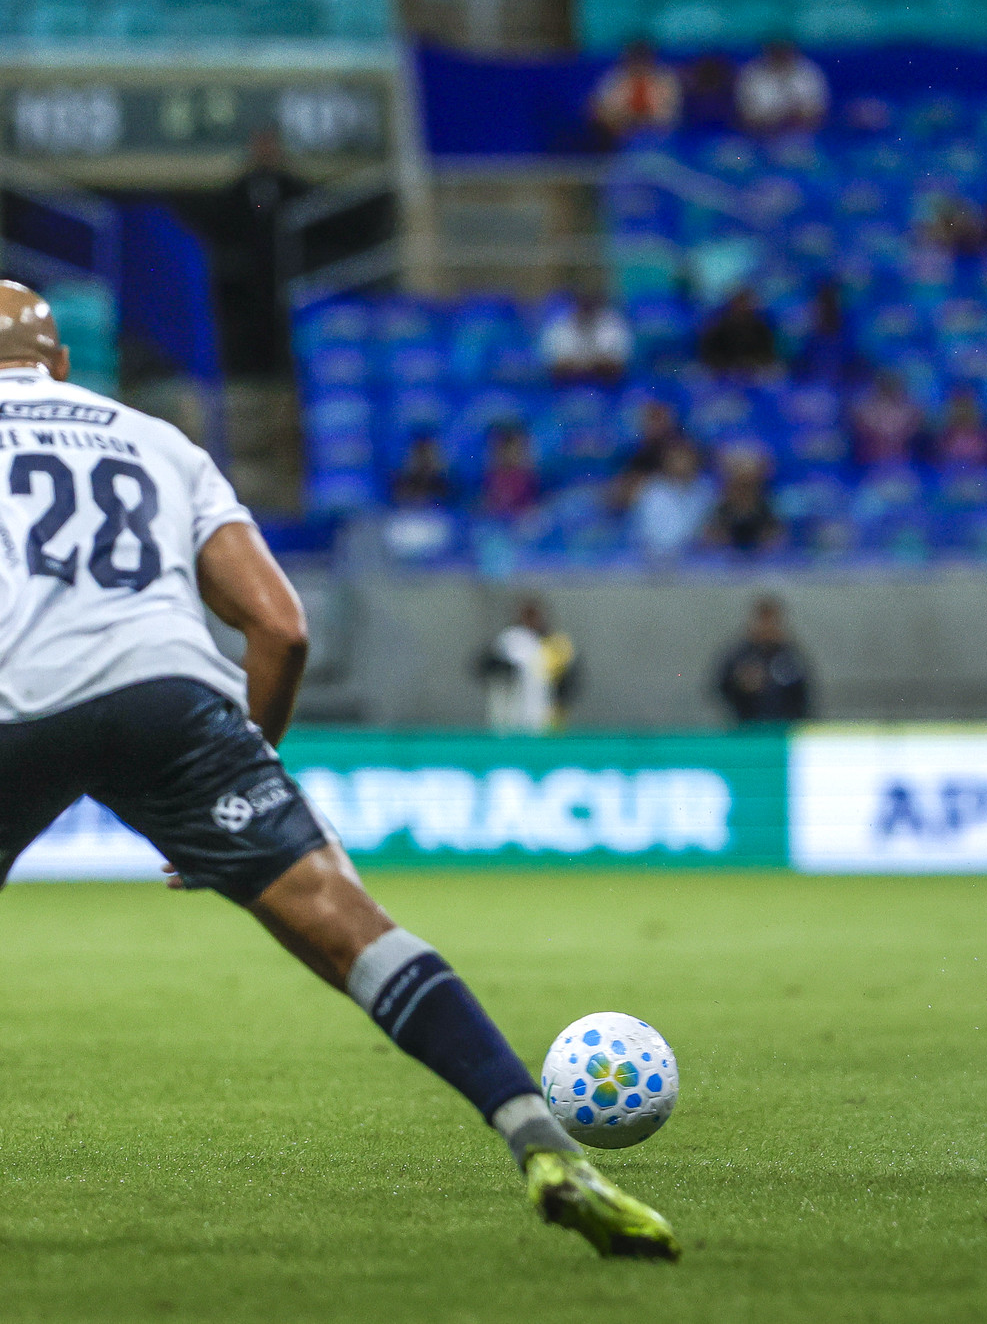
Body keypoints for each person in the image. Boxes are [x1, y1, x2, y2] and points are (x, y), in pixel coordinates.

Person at [0, 281, 677, 1257]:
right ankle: (542, 1143)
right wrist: (245, 774)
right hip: (168, 696)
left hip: (14, 697)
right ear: (64, 362)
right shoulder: (158, 441)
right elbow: (279, 627)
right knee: (347, 923)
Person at [209, 128, 306, 377]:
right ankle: (251, 374)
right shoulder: (238, 191)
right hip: (248, 278)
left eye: (270, 147)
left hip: (286, 272)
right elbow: (223, 229)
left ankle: (284, 375)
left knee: (286, 327)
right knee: (249, 328)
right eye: (260, 147)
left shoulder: (294, 188)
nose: (265, 153)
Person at [479, 597, 579, 734]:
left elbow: (567, 679)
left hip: (542, 715)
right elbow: (485, 666)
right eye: (528, 617)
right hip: (509, 718)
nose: (532, 621)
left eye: (534, 617)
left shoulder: (554, 643)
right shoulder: (512, 639)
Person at [714, 595, 812, 723]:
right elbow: (721, 687)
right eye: (763, 621)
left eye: (772, 621)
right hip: (748, 726)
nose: (767, 627)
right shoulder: (740, 655)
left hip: (785, 726)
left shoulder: (789, 655)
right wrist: (740, 685)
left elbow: (804, 693)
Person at [589, 41, 682, 146]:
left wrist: (645, 115)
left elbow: (671, 115)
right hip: (619, 136)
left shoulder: (665, 78)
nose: (639, 66)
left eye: (643, 61)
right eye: (635, 61)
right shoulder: (615, 79)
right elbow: (603, 111)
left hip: (660, 137)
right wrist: (625, 117)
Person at [735, 41, 828, 135]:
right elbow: (745, 115)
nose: (780, 54)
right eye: (776, 49)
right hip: (760, 137)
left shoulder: (808, 72)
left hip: (802, 137)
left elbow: (818, 113)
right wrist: (773, 118)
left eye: (783, 49)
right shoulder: (752, 74)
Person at [704, 443, 783, 553]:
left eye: (748, 484)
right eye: (738, 484)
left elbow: (777, 540)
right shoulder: (718, 512)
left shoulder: (770, 511)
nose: (743, 491)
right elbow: (709, 541)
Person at [539, 292, 632, 385]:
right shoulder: (559, 326)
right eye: (583, 306)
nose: (586, 309)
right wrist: (590, 363)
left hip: (606, 385)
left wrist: (584, 363)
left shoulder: (613, 324)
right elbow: (554, 366)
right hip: (568, 385)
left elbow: (618, 364)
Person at [697, 287, 780, 375]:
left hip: (754, 374)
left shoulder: (761, 329)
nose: (742, 308)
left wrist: (752, 364)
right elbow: (710, 356)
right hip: (724, 374)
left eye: (745, 304)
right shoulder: (719, 330)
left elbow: (767, 356)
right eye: (739, 304)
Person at [391, 432, 454, 508]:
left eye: (428, 455)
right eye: (419, 455)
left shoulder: (445, 487)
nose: (424, 460)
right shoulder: (401, 485)